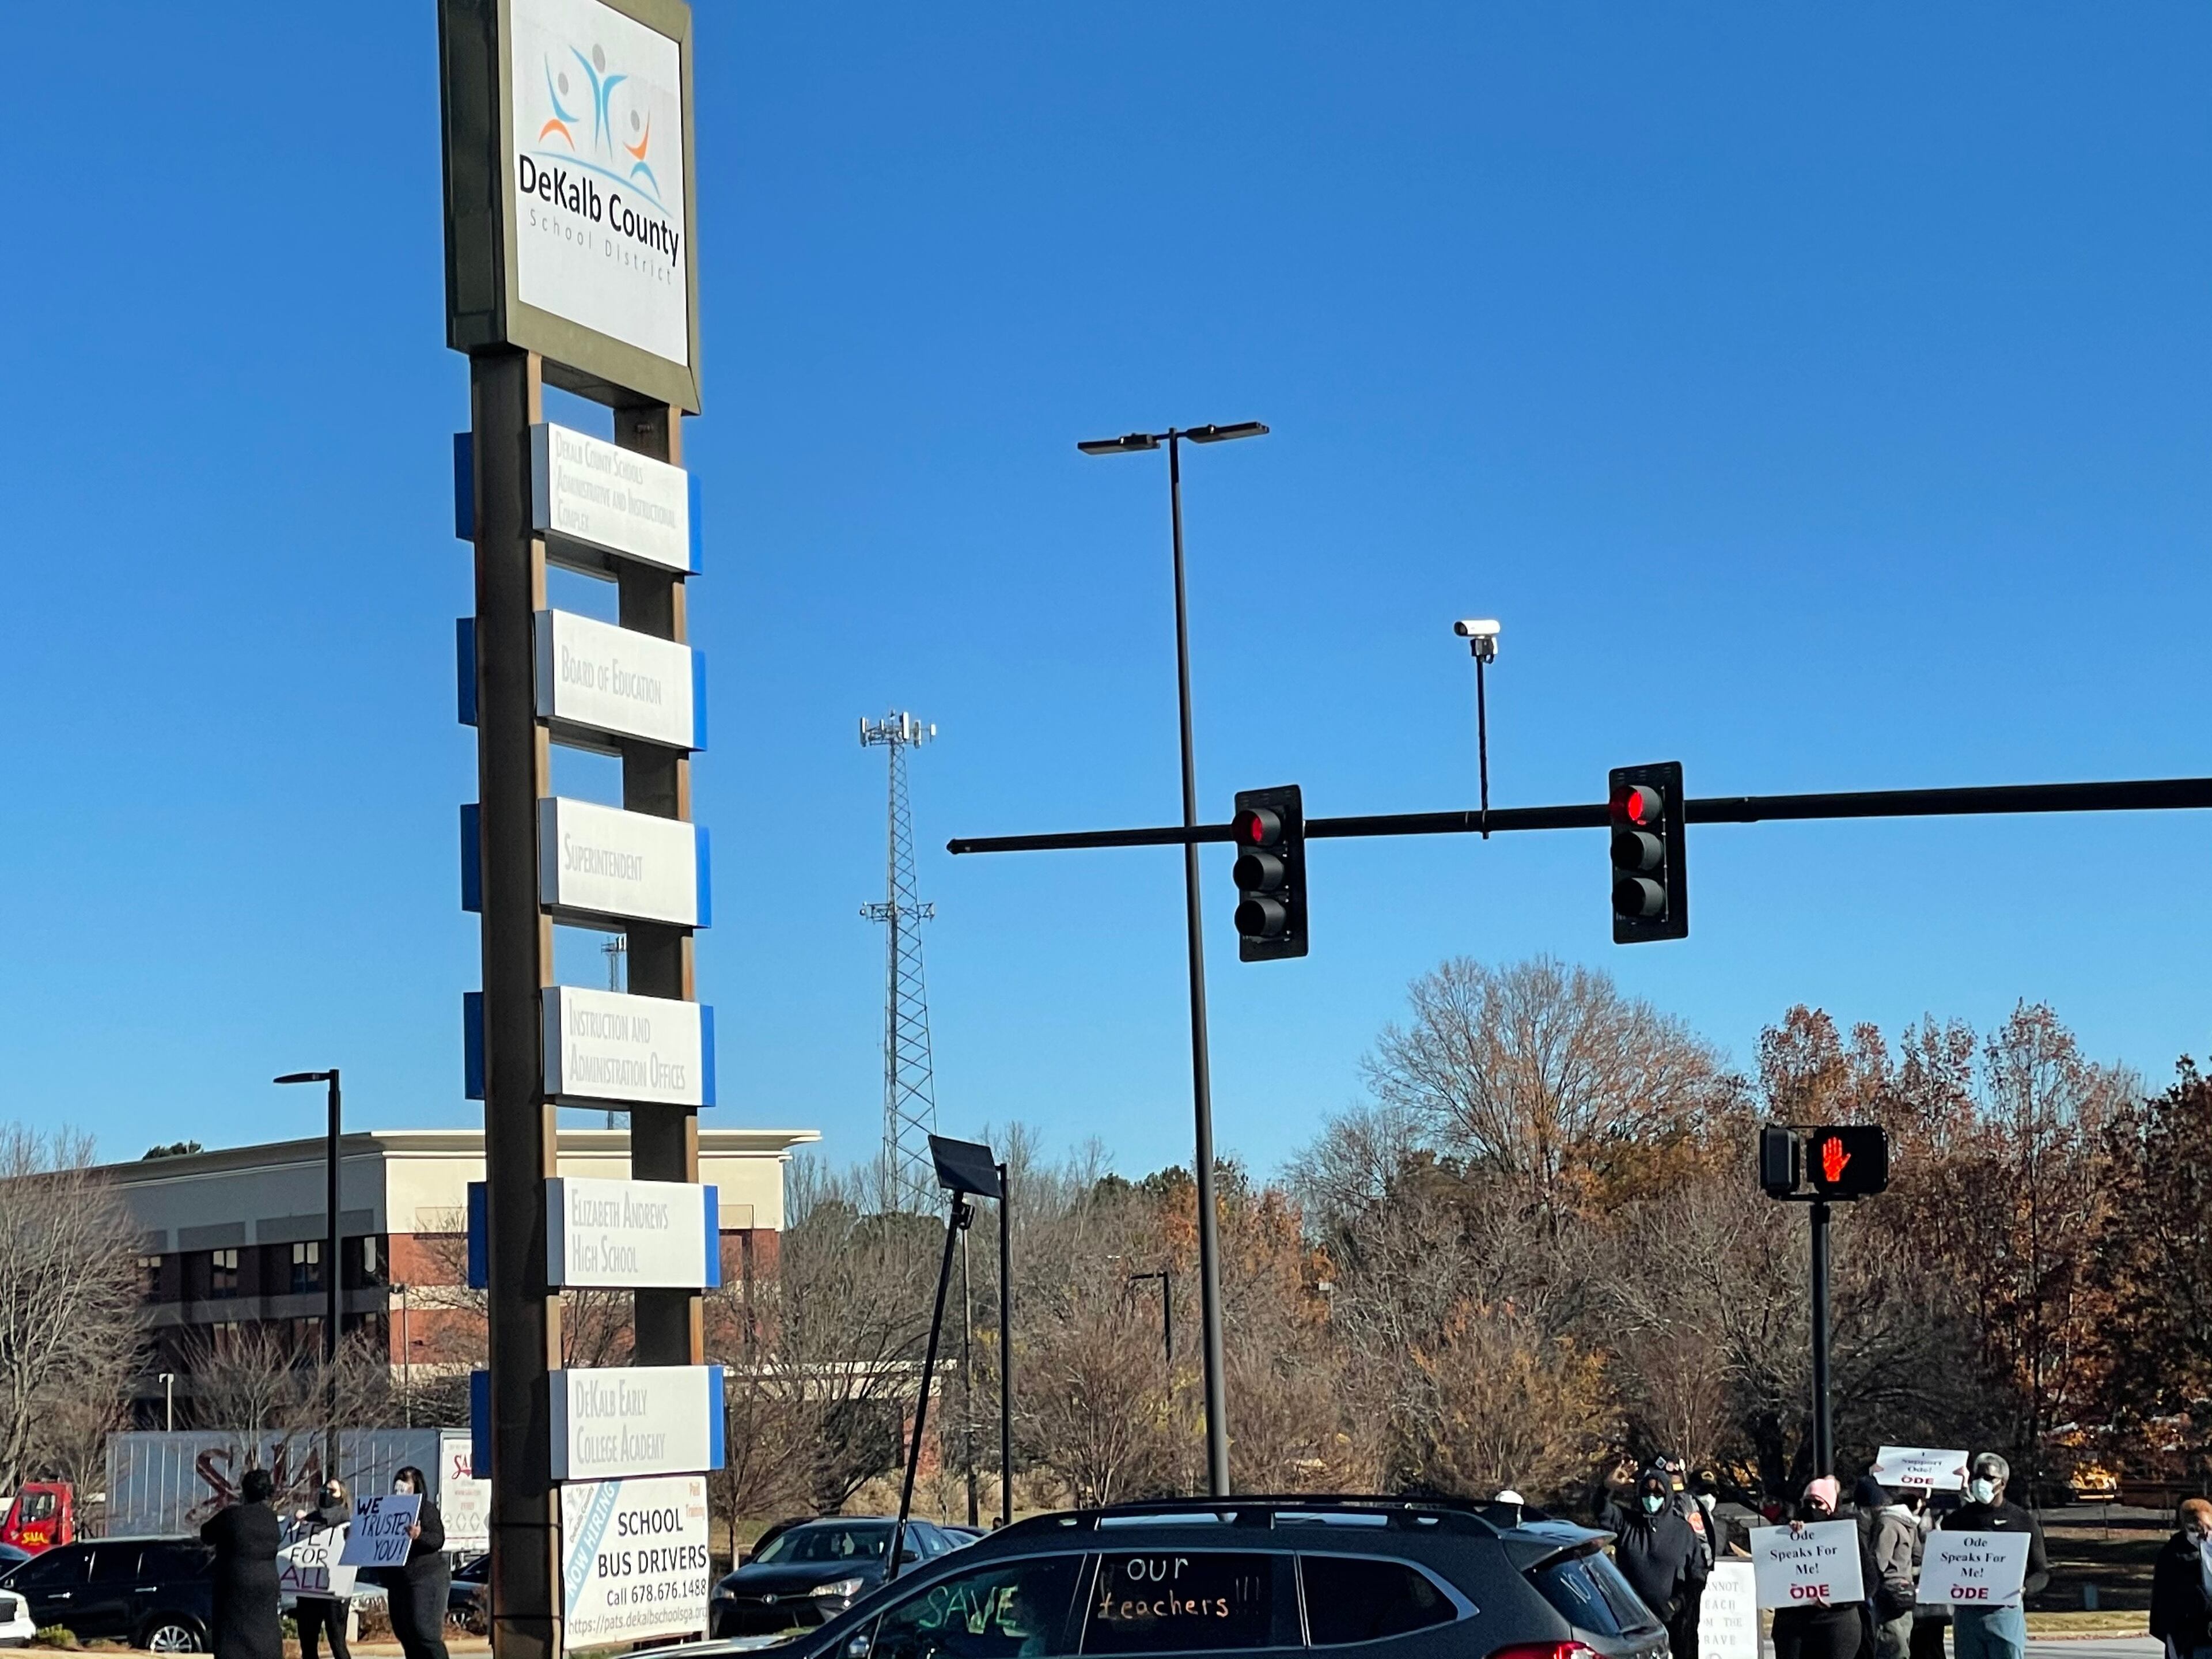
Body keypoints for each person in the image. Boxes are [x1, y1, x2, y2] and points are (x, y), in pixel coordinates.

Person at [1938, 1453, 2047, 1659]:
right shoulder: (1957, 1521)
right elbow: (1942, 1561)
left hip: (2004, 1612)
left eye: (1989, 1478)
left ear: (2003, 1483)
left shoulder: (2022, 1521)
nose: (1981, 1483)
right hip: (1967, 1615)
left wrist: (2025, 1589)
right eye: (1977, 1477)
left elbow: (2041, 1571)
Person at [1592, 1459, 1703, 1657]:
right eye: (1647, 1493)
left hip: (1674, 1624)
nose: (1652, 1498)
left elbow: (1697, 1575)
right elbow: (1601, 1510)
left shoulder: (1683, 1531)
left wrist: (1677, 1603)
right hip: (1632, 1623)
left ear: (1667, 1495)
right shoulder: (1627, 1524)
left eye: (1658, 1494)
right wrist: (1607, 1487)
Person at [1771, 1478, 1864, 1659]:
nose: (1812, 1508)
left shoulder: (1846, 1536)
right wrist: (1785, 1536)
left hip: (1836, 1623)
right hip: (1792, 1625)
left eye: (1818, 1503)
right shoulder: (1786, 1531)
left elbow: (1869, 1581)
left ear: (1830, 1507)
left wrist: (1838, 1601)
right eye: (1807, 1502)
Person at [201, 1467, 283, 1659]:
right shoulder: (271, 1518)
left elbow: (207, 1534)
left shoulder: (232, 1515)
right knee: (266, 1628)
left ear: (244, 1490)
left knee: (233, 1635)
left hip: (236, 1581)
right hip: (267, 1582)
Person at [380, 1465, 450, 1659]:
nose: (400, 1485)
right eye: (398, 1480)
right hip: (399, 1580)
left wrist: (419, 1536)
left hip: (426, 1577)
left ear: (416, 1486)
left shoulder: (426, 1510)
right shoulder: (386, 1511)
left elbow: (438, 1539)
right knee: (405, 1633)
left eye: (406, 1481)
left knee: (425, 1633)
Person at [1852, 1476, 1916, 1659]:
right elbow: (1918, 1555)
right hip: (1906, 1591)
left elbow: (1880, 1561)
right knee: (1903, 1644)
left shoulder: (1885, 1523)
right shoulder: (1908, 1521)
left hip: (1888, 1593)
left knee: (1889, 1645)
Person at [291, 1479, 353, 1659]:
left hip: (334, 1590)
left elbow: (329, 1518)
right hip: (310, 1588)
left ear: (342, 1495)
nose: (327, 1493)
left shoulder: (343, 1517)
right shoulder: (313, 1518)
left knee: (337, 1642)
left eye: (332, 1491)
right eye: (324, 1489)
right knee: (308, 1643)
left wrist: (308, 1518)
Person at [2149, 1498, 2212, 1659]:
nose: (2203, 1535)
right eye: (2195, 1529)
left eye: (2209, 1528)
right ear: (2185, 1529)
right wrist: (2172, 1641)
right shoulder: (2172, 1556)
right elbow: (2163, 1603)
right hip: (2190, 1640)